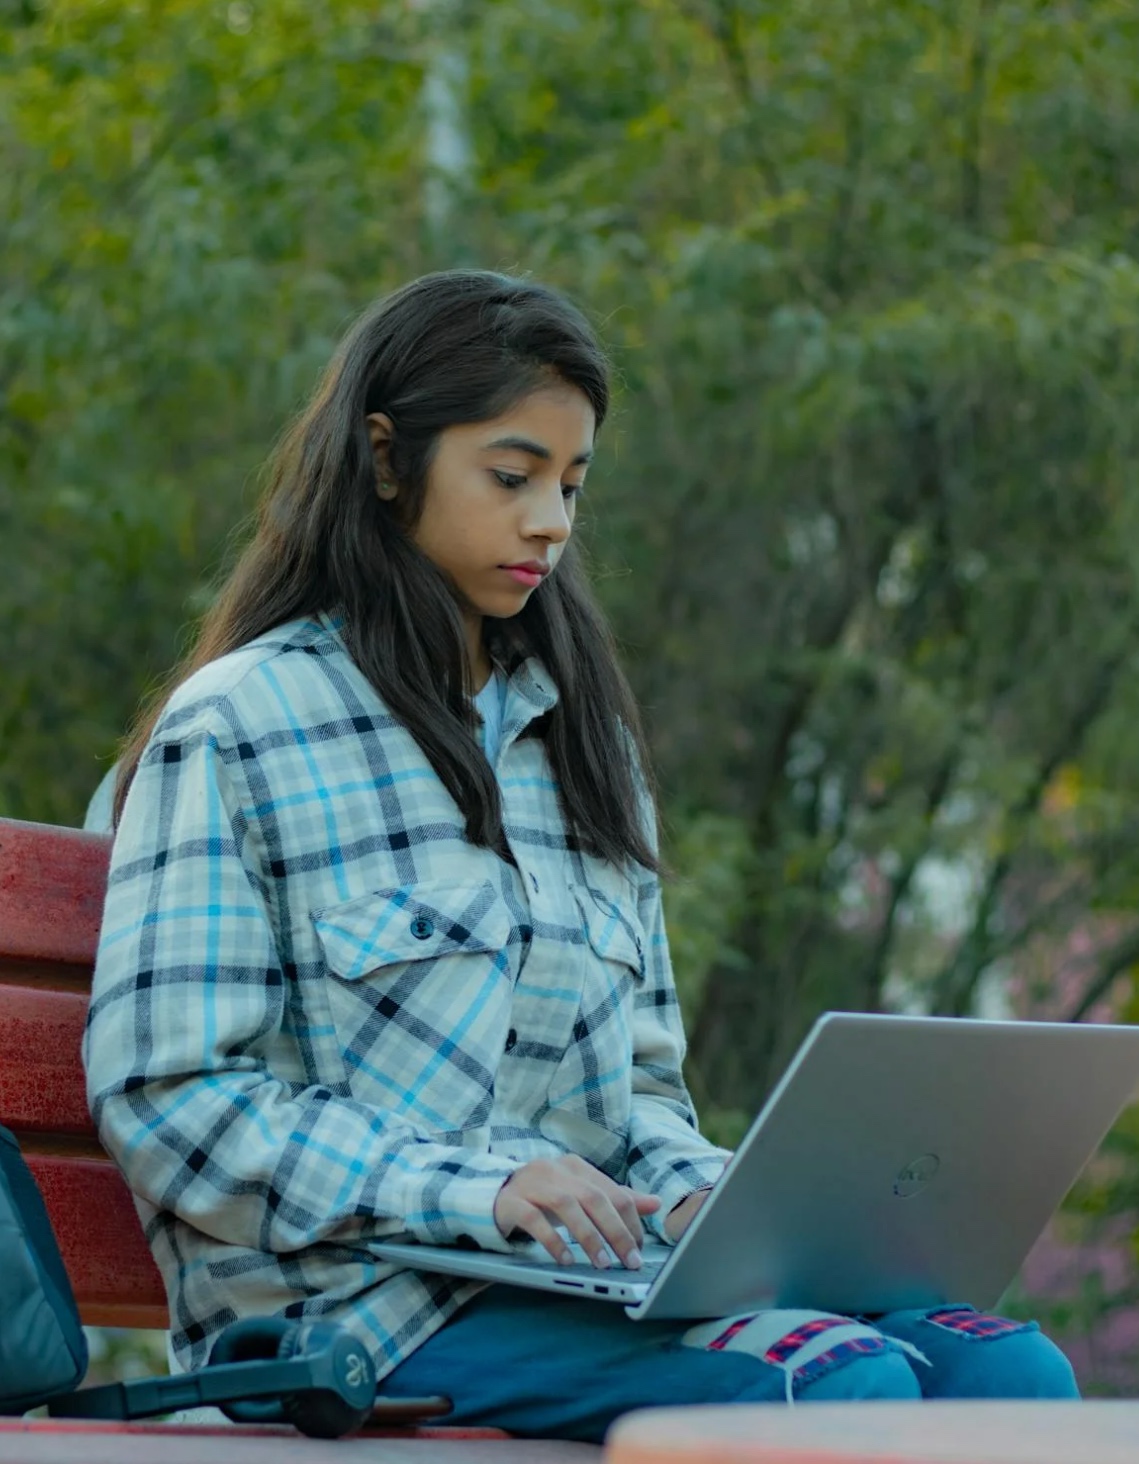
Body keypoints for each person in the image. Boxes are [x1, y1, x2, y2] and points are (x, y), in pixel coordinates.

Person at [84, 269, 1078, 1442]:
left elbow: (637, 1099)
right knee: (833, 1384)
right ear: (388, 458)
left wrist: (707, 1197)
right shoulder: (243, 725)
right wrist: (480, 1190)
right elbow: (169, 1095)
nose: (551, 522)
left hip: (584, 1286)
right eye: (511, 477)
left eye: (570, 482)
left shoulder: (583, 745)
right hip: (352, 1314)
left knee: (1007, 1371)